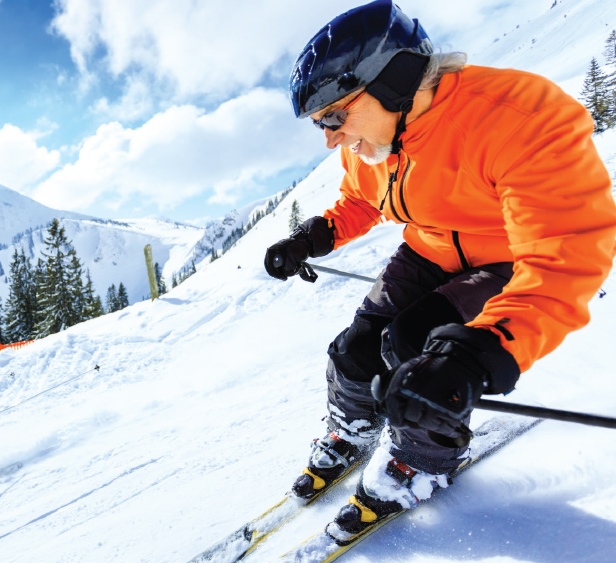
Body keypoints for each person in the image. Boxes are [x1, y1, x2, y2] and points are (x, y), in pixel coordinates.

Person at [264, 0, 616, 538]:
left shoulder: (517, 117)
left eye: (333, 116)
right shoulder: (370, 141)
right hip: (427, 250)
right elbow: (361, 200)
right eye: (320, 124)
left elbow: (564, 252)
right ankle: (353, 427)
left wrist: (480, 354)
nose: (330, 137)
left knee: (417, 346)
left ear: (395, 80)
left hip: (506, 259)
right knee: (356, 347)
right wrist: (310, 239)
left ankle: (420, 460)